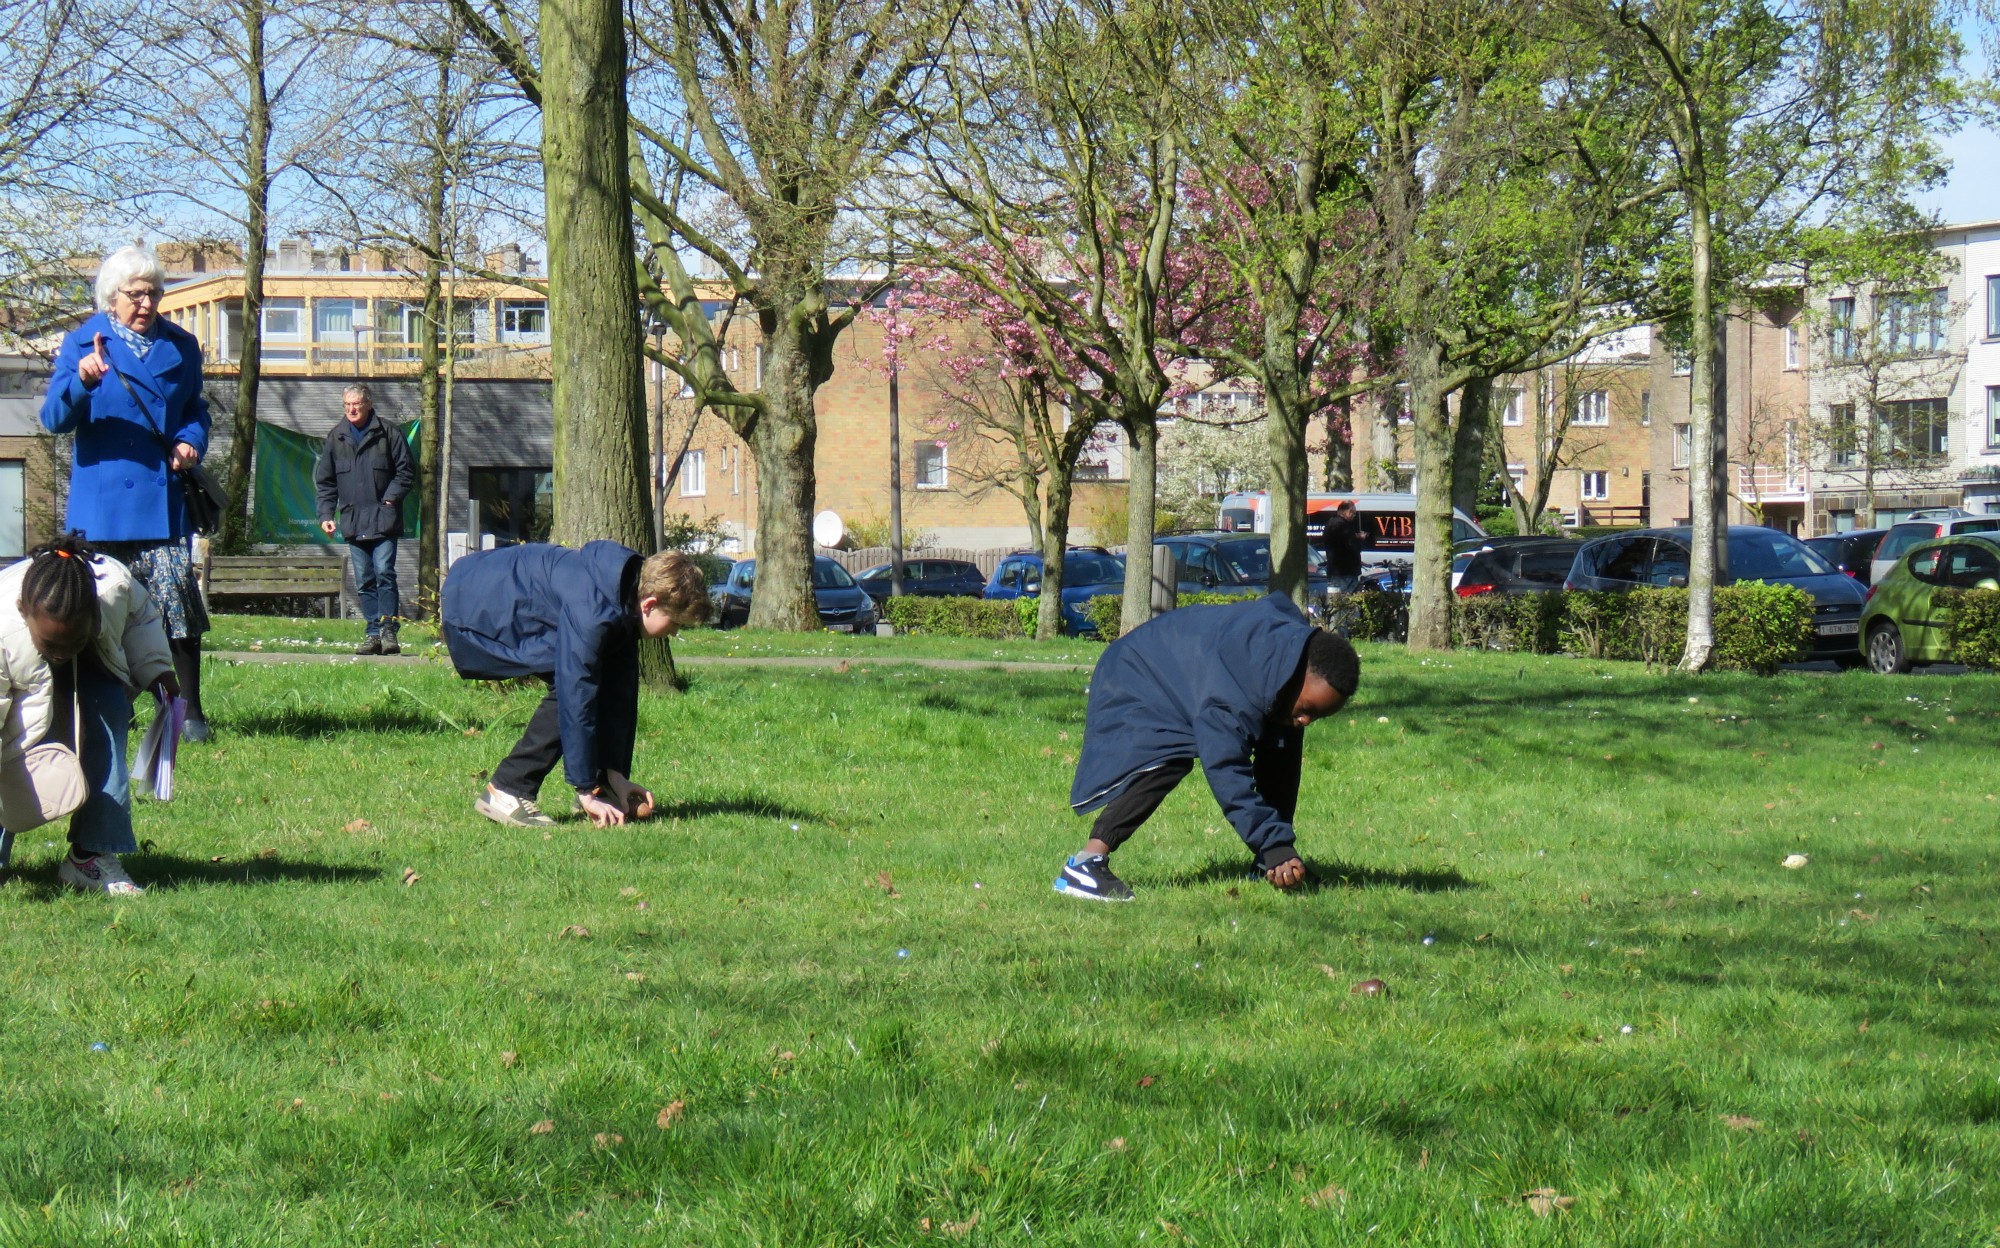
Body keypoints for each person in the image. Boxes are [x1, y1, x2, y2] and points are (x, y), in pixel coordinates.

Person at [1056, 593, 1359, 902]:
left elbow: (1281, 765)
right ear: (1294, 677)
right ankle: (1085, 865)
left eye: (1318, 715)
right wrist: (1273, 842)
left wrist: (1275, 850)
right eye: (1307, 708)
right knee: (1168, 757)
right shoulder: (1229, 698)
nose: (1307, 720)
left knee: (1283, 738)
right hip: (1137, 672)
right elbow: (1227, 773)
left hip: (1189, 667)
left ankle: (1265, 863)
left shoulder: (1290, 661)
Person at [40, 245, 215, 742]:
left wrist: (190, 441)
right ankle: (108, 706)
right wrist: (81, 383)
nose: (146, 303)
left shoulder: (181, 346)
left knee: (176, 606)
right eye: (135, 294)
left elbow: (195, 411)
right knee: (100, 612)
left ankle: (189, 714)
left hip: (162, 504)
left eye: (154, 293)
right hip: (104, 508)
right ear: (110, 298)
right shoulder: (82, 343)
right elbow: (53, 419)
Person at [441, 542, 710, 829]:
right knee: (571, 689)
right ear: (650, 604)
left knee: (602, 673)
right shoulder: (593, 610)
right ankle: (508, 789)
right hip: (475, 606)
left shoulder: (623, 595)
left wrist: (611, 775)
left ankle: (599, 787)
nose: (673, 632)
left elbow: (620, 691)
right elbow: (576, 692)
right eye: (674, 623)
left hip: (499, 594)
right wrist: (583, 788)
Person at [0, 538, 178, 896]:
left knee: (109, 719)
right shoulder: (3, 626)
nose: (62, 654)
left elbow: (141, 619)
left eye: (71, 643)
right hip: (16, 675)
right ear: (23, 611)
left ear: (94, 615)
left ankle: (90, 855)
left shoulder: (113, 587)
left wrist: (158, 671)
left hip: (96, 662)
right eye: (52, 645)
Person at [314, 383, 416, 655]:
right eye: (347, 405)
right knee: (364, 580)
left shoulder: (389, 433)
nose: (351, 409)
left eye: (356, 404)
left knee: (384, 572)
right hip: (353, 520)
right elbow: (325, 482)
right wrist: (326, 513)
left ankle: (388, 631)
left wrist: (391, 498)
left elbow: (406, 472)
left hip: (384, 519)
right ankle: (372, 634)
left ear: (368, 404)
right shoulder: (336, 437)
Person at [1316, 499, 1373, 594]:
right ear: (1348, 511)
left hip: (1337, 571)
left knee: (1339, 601)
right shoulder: (1341, 526)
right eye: (1353, 513)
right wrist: (1360, 539)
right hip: (1344, 572)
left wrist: (1355, 536)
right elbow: (1351, 545)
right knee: (1344, 601)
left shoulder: (1332, 523)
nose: (1354, 516)